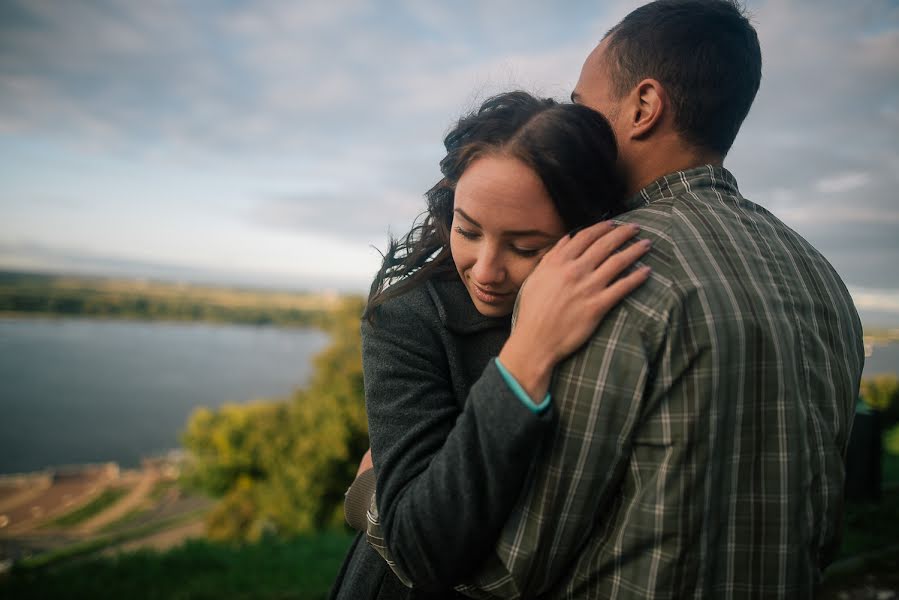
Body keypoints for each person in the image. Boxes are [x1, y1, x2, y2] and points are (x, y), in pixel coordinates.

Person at [434, 1, 861, 598]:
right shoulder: (822, 278)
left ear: (643, 107)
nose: (570, 123)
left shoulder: (605, 268)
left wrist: (380, 499)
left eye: (582, 106)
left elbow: (510, 568)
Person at [328, 91, 652, 600]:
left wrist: (369, 496)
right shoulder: (409, 319)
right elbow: (421, 548)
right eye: (468, 230)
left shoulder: (626, 315)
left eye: (526, 247)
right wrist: (527, 356)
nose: (485, 271)